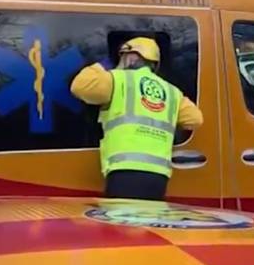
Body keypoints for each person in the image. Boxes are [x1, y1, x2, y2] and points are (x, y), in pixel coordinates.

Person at [70, 37, 203, 200]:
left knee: (123, 223)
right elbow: (195, 119)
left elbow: (80, 86)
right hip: (159, 175)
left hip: (124, 169)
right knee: (148, 221)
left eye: (123, 56)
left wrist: (104, 66)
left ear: (132, 57)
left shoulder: (117, 80)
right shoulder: (171, 91)